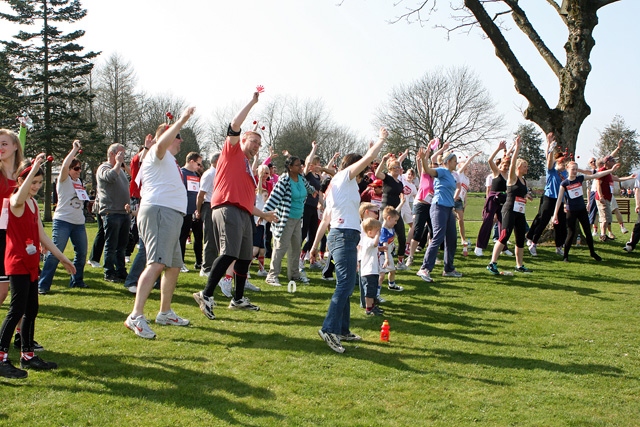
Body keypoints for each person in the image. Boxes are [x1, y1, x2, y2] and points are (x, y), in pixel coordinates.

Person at [192, 91, 277, 320]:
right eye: (254, 141)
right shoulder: (232, 152)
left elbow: (248, 201)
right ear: (243, 140)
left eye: (260, 143)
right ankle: (206, 294)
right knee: (229, 252)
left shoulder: (248, 168)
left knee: (244, 257)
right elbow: (235, 124)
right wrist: (253, 102)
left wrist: (265, 215)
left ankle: (237, 299)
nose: (257, 145)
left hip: (244, 213)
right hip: (227, 208)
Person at [310, 126, 388, 354]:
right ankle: (329, 329)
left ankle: (343, 329)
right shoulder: (344, 177)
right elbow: (370, 157)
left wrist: (315, 247)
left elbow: (325, 220)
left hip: (342, 234)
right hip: (343, 235)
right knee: (345, 284)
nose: (364, 174)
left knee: (345, 283)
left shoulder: (339, 186)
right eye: (362, 170)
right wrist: (381, 140)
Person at [0, 155, 75, 379]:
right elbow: (19, 194)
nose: (36, 186)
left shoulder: (32, 203)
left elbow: (43, 236)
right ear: (22, 181)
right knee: (16, 311)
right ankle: (1, 357)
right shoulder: (15, 201)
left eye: (40, 183)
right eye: (33, 182)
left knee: (31, 309)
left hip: (32, 264)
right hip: (17, 263)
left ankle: (27, 354)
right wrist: (34, 168)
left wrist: (63, 258)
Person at [124, 107, 195, 339]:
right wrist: (182, 119)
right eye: (177, 135)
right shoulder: (157, 151)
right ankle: (136, 315)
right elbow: (162, 142)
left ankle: (164, 312)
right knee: (155, 263)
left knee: (173, 265)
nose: (180, 139)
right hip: (159, 211)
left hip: (171, 214)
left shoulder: (169, 160)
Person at [38, 140, 88, 294]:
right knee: (55, 252)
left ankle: (76, 280)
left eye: (80, 168)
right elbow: (65, 166)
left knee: (82, 253)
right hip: (63, 221)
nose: (79, 171)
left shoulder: (78, 181)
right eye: (76, 168)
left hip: (78, 223)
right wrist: (74, 150)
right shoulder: (64, 180)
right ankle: (43, 285)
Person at [264, 155, 316, 286]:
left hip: (298, 219)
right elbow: (273, 198)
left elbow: (309, 188)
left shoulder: (301, 178)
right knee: (281, 247)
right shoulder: (284, 180)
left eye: (300, 164)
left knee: (296, 248)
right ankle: (272, 276)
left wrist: (314, 191)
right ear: (290, 167)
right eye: (297, 165)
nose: (300, 167)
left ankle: (294, 275)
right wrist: (263, 214)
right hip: (285, 219)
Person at [553, 160, 619, 262]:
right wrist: (555, 214)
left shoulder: (580, 178)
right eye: (572, 169)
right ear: (567, 169)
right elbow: (559, 200)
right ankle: (565, 255)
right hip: (571, 211)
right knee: (571, 233)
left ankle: (592, 253)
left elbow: (596, 175)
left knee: (588, 232)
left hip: (582, 210)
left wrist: (611, 170)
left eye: (576, 169)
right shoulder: (564, 183)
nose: (574, 171)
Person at [486, 136, 533, 274]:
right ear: (519, 167)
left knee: (520, 238)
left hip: (520, 211)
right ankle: (492, 263)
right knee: (504, 235)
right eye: (525, 166)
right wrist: (517, 148)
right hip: (509, 209)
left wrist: (526, 196)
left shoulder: (524, 181)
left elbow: (521, 193)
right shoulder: (512, 177)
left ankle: (519, 265)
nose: (527, 168)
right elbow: (511, 165)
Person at [416, 145, 462, 283]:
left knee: (452, 239)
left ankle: (448, 269)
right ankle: (424, 268)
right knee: (438, 237)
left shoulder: (452, 176)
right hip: (438, 207)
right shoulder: (441, 171)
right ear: (447, 161)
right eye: (454, 161)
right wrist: (424, 159)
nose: (456, 163)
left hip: (448, 209)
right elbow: (428, 170)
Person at [526, 133, 568, 256]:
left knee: (560, 223)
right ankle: (532, 241)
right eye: (560, 160)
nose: (562, 161)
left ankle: (559, 246)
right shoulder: (552, 171)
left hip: (560, 201)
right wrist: (549, 145)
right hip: (549, 197)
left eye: (563, 160)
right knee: (542, 219)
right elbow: (549, 160)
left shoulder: (566, 173)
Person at [96, 143, 130, 282]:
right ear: (112, 154)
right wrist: (117, 164)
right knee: (111, 245)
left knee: (121, 246)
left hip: (123, 212)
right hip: (111, 212)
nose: (123, 156)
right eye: (120, 153)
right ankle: (108, 272)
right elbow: (110, 177)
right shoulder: (104, 167)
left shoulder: (120, 170)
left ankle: (120, 270)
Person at [474, 141, 513, 257]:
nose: (505, 167)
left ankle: (503, 246)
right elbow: (489, 160)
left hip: (504, 199)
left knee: (504, 223)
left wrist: (509, 149)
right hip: (493, 198)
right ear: (500, 165)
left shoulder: (510, 176)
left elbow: (509, 158)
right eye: (503, 165)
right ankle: (479, 246)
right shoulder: (496, 173)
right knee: (488, 221)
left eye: (507, 165)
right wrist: (499, 148)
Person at [0, 128, 24, 306]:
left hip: (18, 234)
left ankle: (20, 334)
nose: (0, 147)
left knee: (21, 293)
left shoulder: (22, 176)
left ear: (15, 146)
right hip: (1, 234)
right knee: (2, 291)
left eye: (4, 143)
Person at [375, 151, 409, 269]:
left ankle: (400, 260)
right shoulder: (387, 178)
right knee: (379, 234)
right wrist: (383, 161)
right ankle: (377, 257)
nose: (397, 169)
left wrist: (402, 202)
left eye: (398, 167)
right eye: (394, 167)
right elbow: (377, 173)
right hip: (385, 211)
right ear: (390, 169)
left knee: (401, 236)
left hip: (396, 211)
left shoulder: (400, 183)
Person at [595, 155, 635, 241]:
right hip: (602, 198)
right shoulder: (602, 171)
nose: (614, 163)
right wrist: (601, 196)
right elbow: (598, 184)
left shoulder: (608, 173)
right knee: (605, 218)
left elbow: (618, 179)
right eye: (613, 161)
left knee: (607, 218)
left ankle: (604, 235)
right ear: (608, 162)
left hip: (608, 198)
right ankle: (603, 236)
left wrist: (629, 177)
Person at [196, 152, 220, 277]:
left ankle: (213, 266)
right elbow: (200, 195)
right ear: (216, 161)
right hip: (208, 206)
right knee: (210, 238)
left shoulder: (218, 173)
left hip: (217, 206)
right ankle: (206, 268)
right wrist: (198, 210)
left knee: (216, 238)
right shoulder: (209, 174)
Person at [178, 151, 204, 272]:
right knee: (182, 237)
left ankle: (199, 262)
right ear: (191, 161)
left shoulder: (196, 175)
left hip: (196, 211)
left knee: (199, 237)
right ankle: (180, 262)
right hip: (184, 211)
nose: (199, 167)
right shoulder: (181, 173)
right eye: (198, 164)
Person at [453, 151, 481, 249]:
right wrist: (473, 156)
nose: (466, 167)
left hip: (460, 201)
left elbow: (465, 192)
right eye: (464, 165)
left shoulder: (467, 179)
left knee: (461, 220)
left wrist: (466, 202)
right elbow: (467, 162)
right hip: (453, 199)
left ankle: (462, 239)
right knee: (451, 220)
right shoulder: (458, 174)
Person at [359, 217, 384, 316]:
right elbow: (374, 244)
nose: (379, 233)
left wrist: (382, 248)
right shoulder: (367, 240)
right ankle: (369, 308)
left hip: (373, 270)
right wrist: (377, 236)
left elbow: (375, 247)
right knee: (369, 291)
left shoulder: (370, 240)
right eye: (377, 230)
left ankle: (373, 306)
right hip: (368, 271)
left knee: (373, 290)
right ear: (369, 232)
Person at [378, 206, 404, 295]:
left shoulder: (390, 226)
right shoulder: (383, 230)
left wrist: (402, 203)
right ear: (389, 218)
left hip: (388, 254)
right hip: (382, 255)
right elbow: (384, 245)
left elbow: (395, 212)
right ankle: (376, 294)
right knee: (381, 276)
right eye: (395, 221)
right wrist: (386, 258)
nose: (396, 223)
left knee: (392, 271)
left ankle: (391, 285)